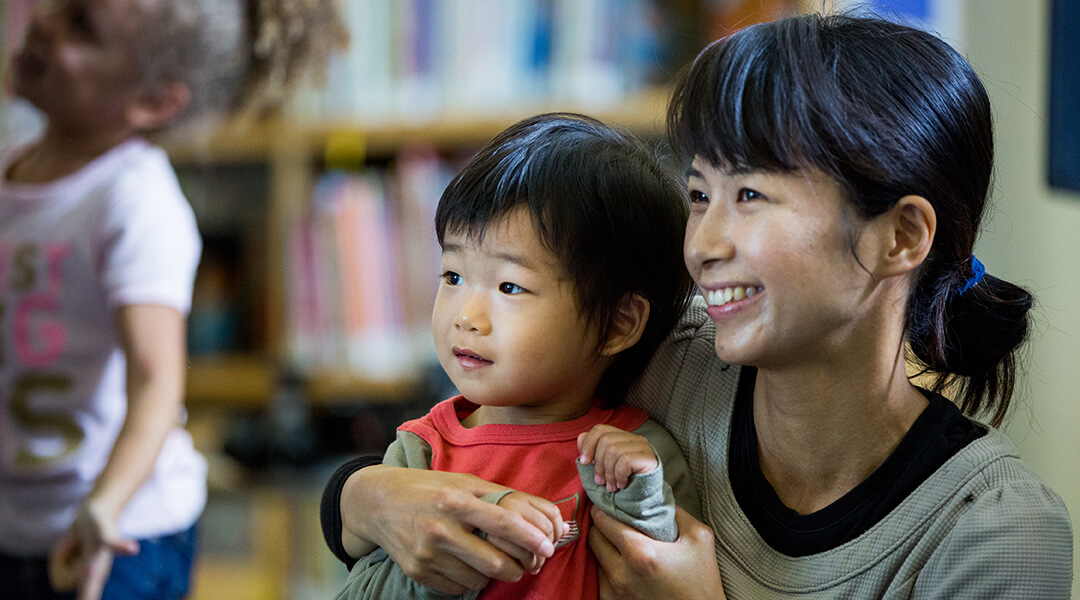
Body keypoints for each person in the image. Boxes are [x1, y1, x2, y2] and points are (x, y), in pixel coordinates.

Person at [321, 12, 1075, 599]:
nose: (703, 242)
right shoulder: (672, 362)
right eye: (698, 195)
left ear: (900, 235)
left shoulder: (995, 532)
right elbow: (468, 439)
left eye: (749, 195)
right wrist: (369, 499)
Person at [0, 1, 346, 599]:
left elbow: (157, 382)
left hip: (123, 532)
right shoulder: (13, 169)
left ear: (153, 102)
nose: (43, 22)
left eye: (81, 26)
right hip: (19, 522)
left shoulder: (133, 201)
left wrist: (107, 505)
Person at [335, 113, 701, 600]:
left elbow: (665, 574)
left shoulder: (636, 453)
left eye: (509, 286)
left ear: (618, 324)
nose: (467, 315)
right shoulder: (420, 451)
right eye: (452, 276)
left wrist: (640, 496)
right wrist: (453, 555)